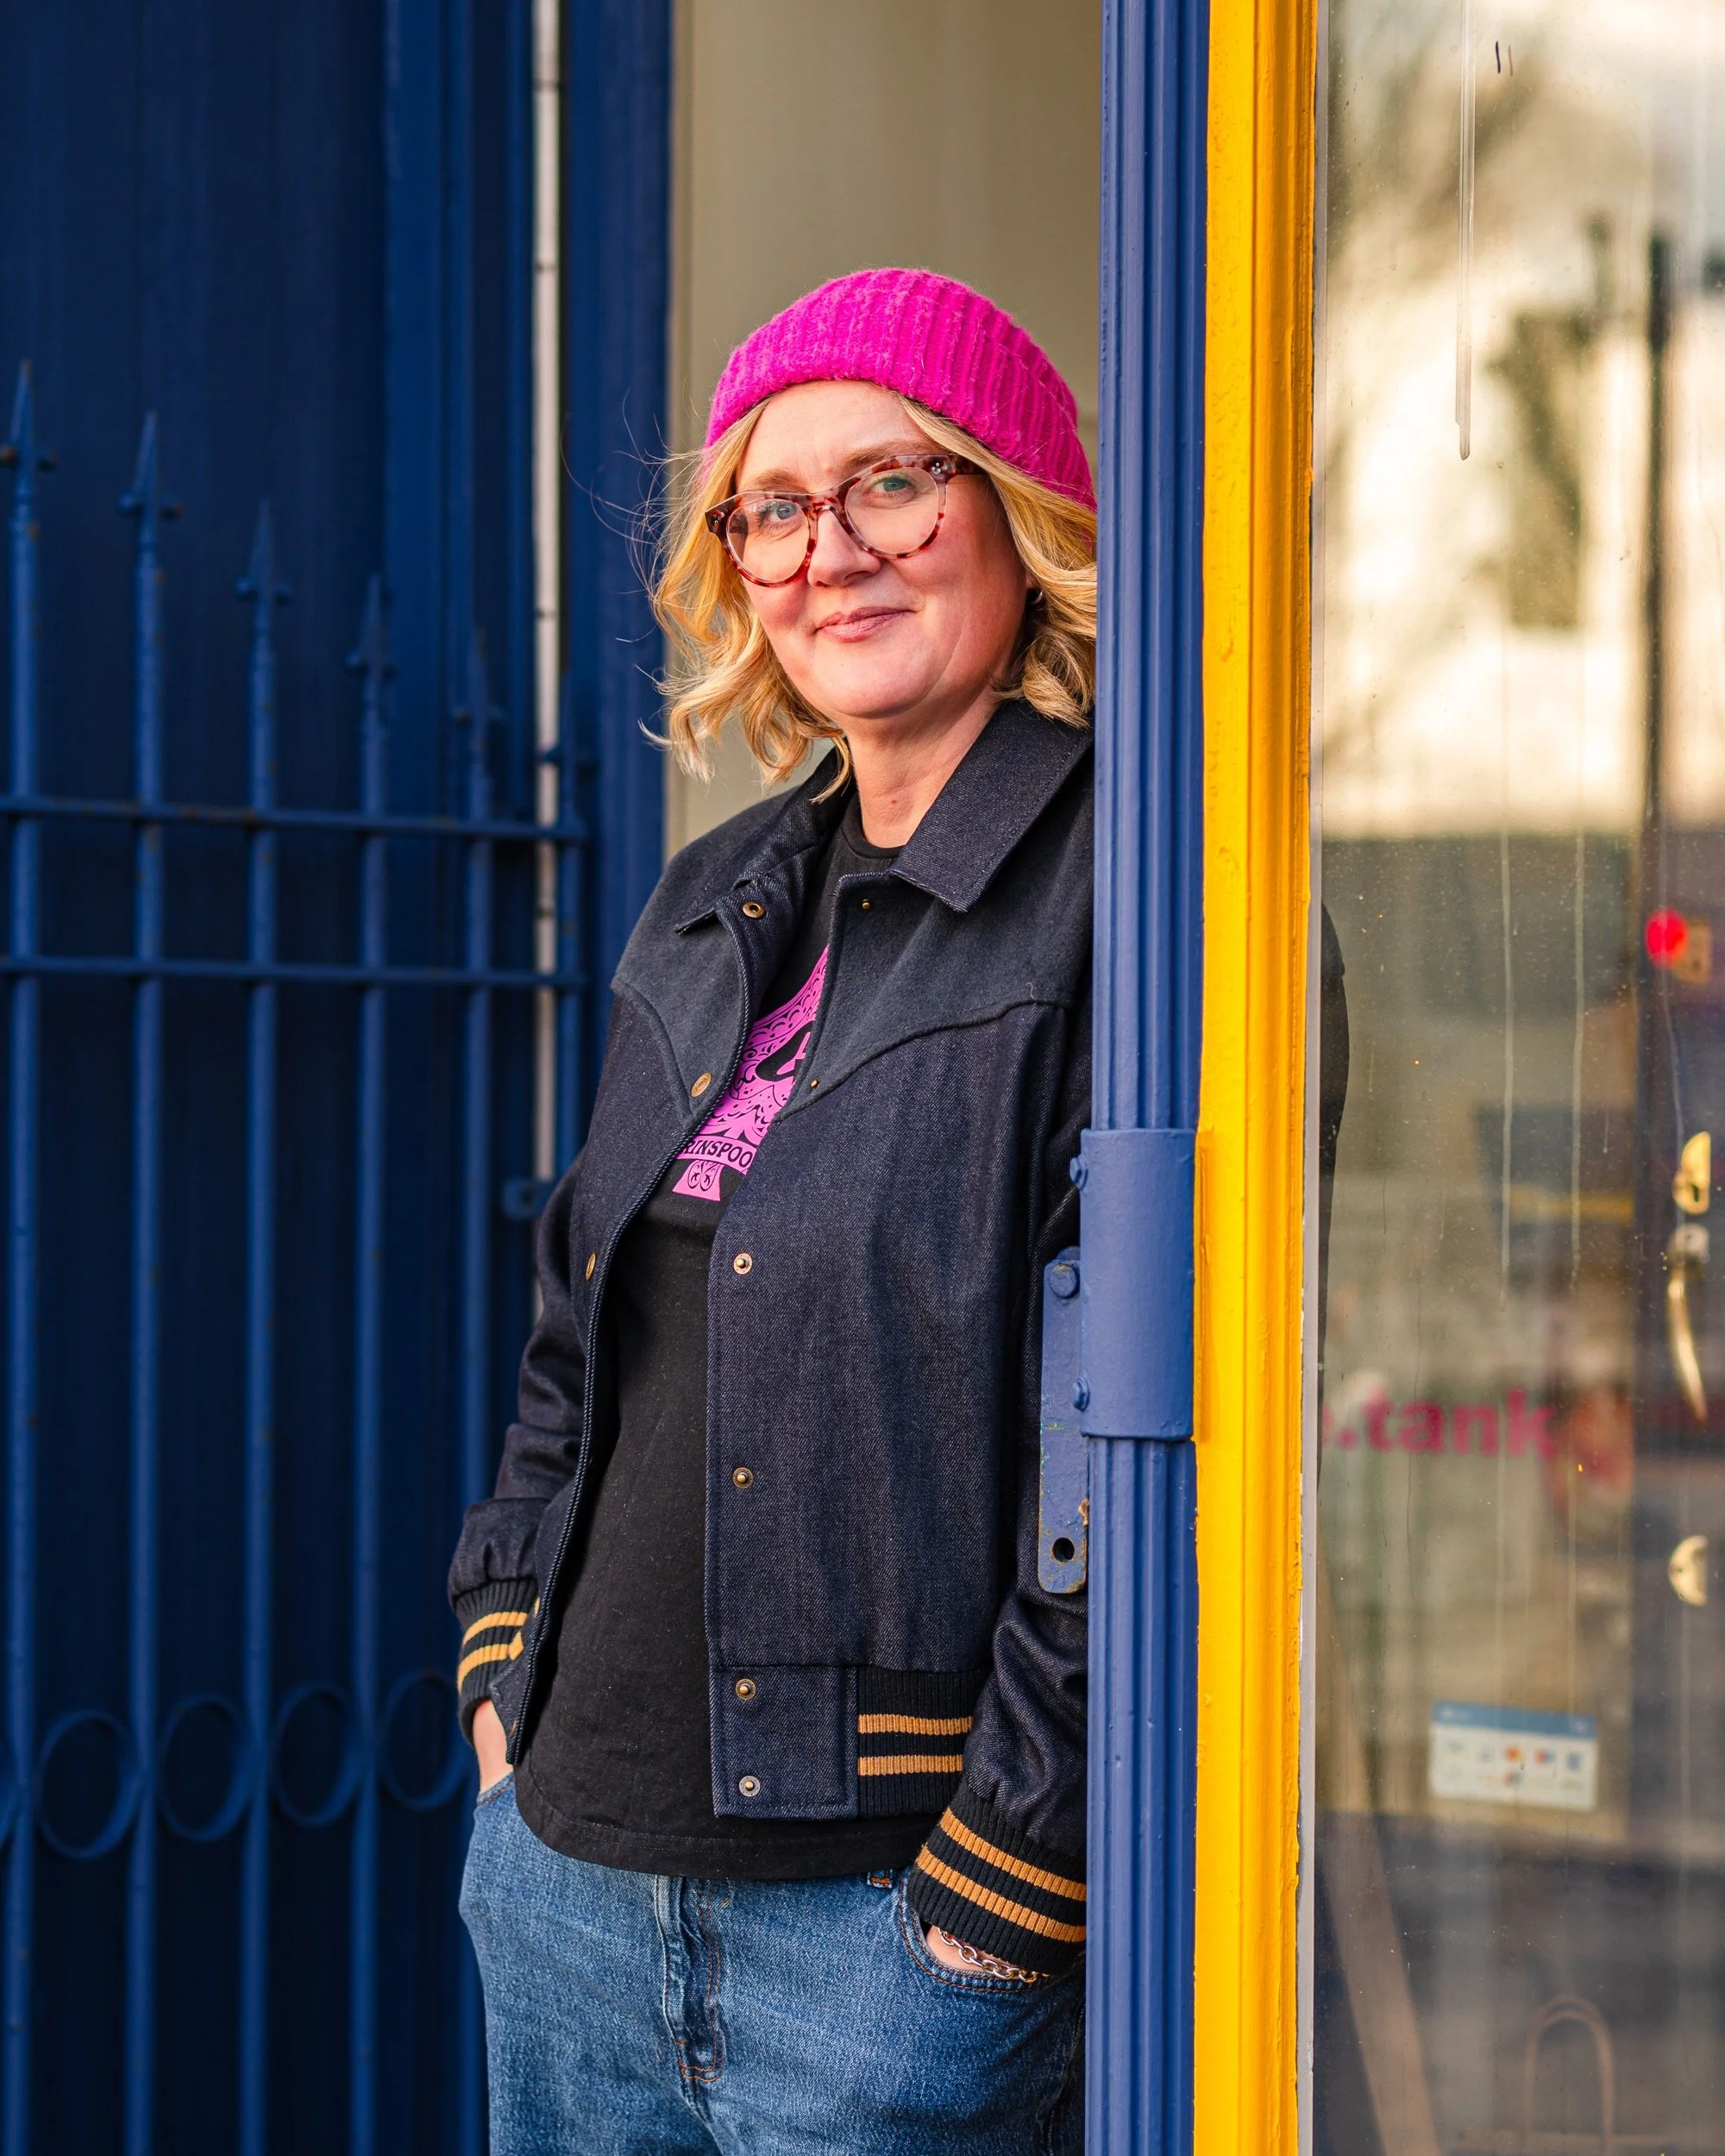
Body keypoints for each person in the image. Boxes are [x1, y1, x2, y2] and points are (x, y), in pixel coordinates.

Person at [450, 267, 1097, 2155]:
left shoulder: (1136, 894)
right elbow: (579, 1338)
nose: (833, 549)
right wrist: (504, 1652)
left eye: (895, 480)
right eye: (776, 508)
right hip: (570, 1871)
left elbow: (1149, 1453)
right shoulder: (711, 893)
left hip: (888, 1933)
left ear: (1014, 511)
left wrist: (1010, 1877)